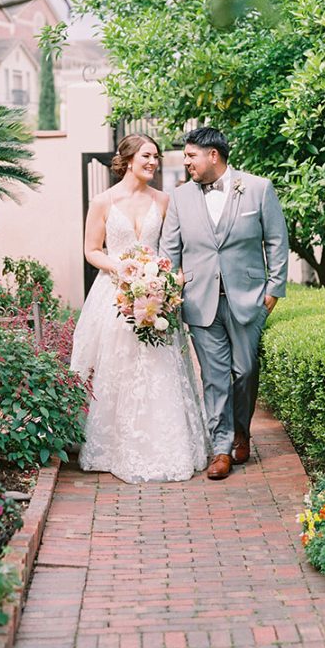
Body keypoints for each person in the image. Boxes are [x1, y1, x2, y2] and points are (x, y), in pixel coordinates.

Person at [70, 134, 209, 483]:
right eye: (147, 156)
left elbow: (172, 249)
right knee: (118, 368)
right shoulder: (102, 201)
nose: (153, 162)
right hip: (114, 293)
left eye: (157, 157)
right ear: (128, 158)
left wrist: (163, 280)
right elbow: (92, 249)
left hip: (156, 294)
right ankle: (114, 448)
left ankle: (168, 446)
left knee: (160, 367)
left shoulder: (164, 200)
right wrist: (121, 269)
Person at [160, 127, 288, 480]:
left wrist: (274, 289)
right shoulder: (180, 198)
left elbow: (276, 241)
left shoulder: (258, 188)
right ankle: (221, 449)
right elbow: (168, 252)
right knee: (215, 378)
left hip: (248, 299)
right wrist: (167, 291)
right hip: (200, 302)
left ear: (212, 155)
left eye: (190, 156)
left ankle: (242, 431)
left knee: (244, 372)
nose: (186, 162)